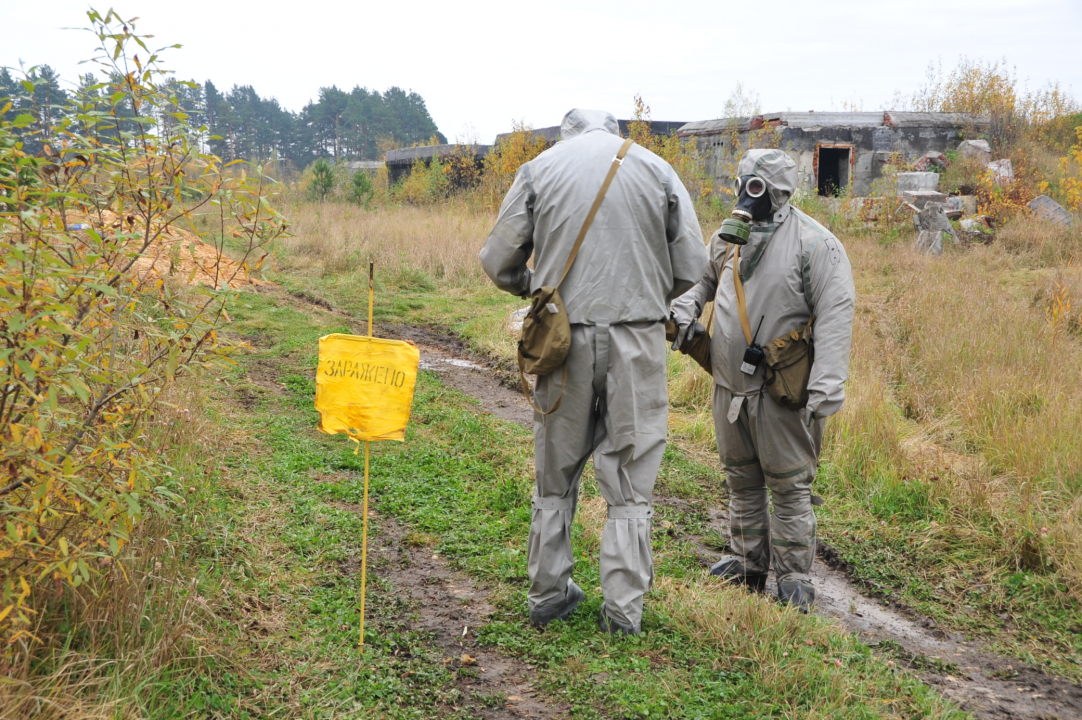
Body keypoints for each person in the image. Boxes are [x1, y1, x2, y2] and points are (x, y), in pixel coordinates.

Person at [480, 109, 707, 635]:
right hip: (639, 339)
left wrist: (536, 286)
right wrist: (647, 296)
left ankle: (549, 594)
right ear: (615, 132)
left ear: (569, 133)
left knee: (555, 470)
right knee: (631, 473)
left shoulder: (540, 168)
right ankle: (623, 611)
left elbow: (497, 260)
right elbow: (693, 265)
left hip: (562, 337)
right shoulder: (658, 169)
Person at [670, 149, 855, 612]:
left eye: (759, 186)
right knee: (741, 481)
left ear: (780, 192)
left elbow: (836, 313)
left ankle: (793, 577)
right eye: (743, 183)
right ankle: (747, 562)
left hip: (780, 391)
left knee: (790, 487)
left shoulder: (816, 245)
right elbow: (703, 280)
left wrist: (826, 384)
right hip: (729, 384)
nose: (748, 194)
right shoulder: (728, 237)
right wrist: (686, 308)